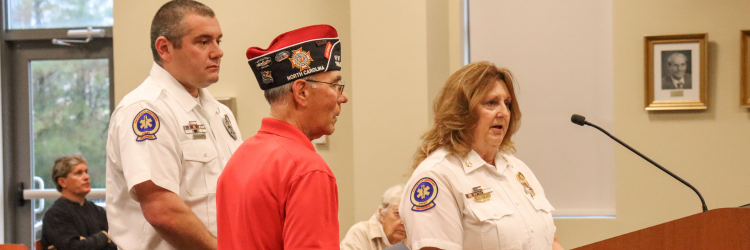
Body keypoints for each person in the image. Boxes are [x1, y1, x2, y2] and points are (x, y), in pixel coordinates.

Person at [105, 1, 242, 250]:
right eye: (203, 42)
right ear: (165, 48)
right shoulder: (146, 110)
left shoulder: (221, 114)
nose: (217, 52)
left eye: (218, 41)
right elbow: (161, 209)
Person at [399, 61, 565, 250]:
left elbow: (552, 242)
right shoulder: (437, 176)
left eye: (507, 104)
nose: (503, 112)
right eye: (491, 103)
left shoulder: (518, 170)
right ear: (461, 111)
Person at [217, 24, 347, 250]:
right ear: (302, 92)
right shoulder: (307, 170)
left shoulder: (240, 158)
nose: (343, 97)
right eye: (336, 85)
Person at [41, 155, 116, 250]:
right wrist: (103, 236)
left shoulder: (97, 211)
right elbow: (74, 247)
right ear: (62, 182)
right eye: (78, 173)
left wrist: (86, 242)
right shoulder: (55, 215)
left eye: (86, 172)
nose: (86, 177)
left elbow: (116, 244)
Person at [341, 184, 407, 250]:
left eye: (408, 218)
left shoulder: (413, 241)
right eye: (397, 214)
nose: (403, 223)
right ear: (381, 213)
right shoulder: (360, 233)